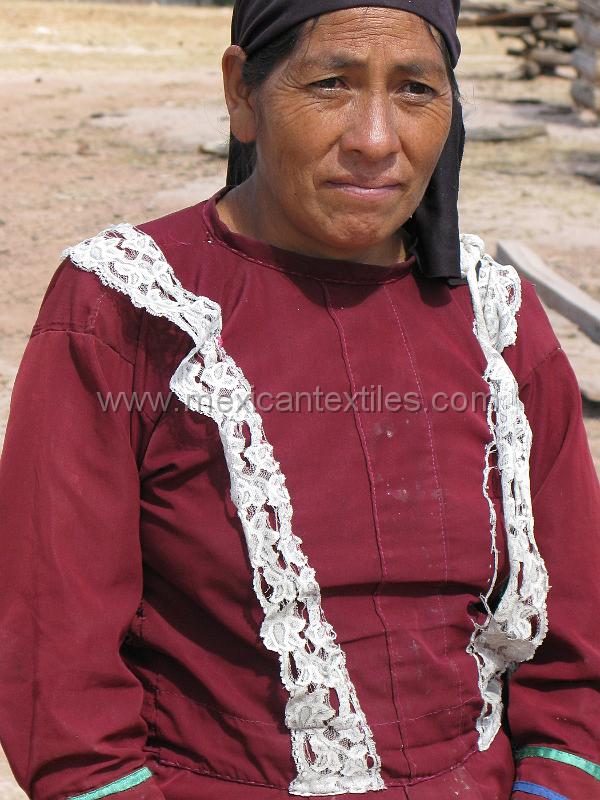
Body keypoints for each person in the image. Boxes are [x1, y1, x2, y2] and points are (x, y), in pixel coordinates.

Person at [0, 1, 599, 799]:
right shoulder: (132, 308)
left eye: (415, 89)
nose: (376, 139)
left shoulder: (496, 321)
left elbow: (576, 649)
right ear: (242, 95)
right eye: (331, 84)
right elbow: (58, 672)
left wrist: (554, 784)